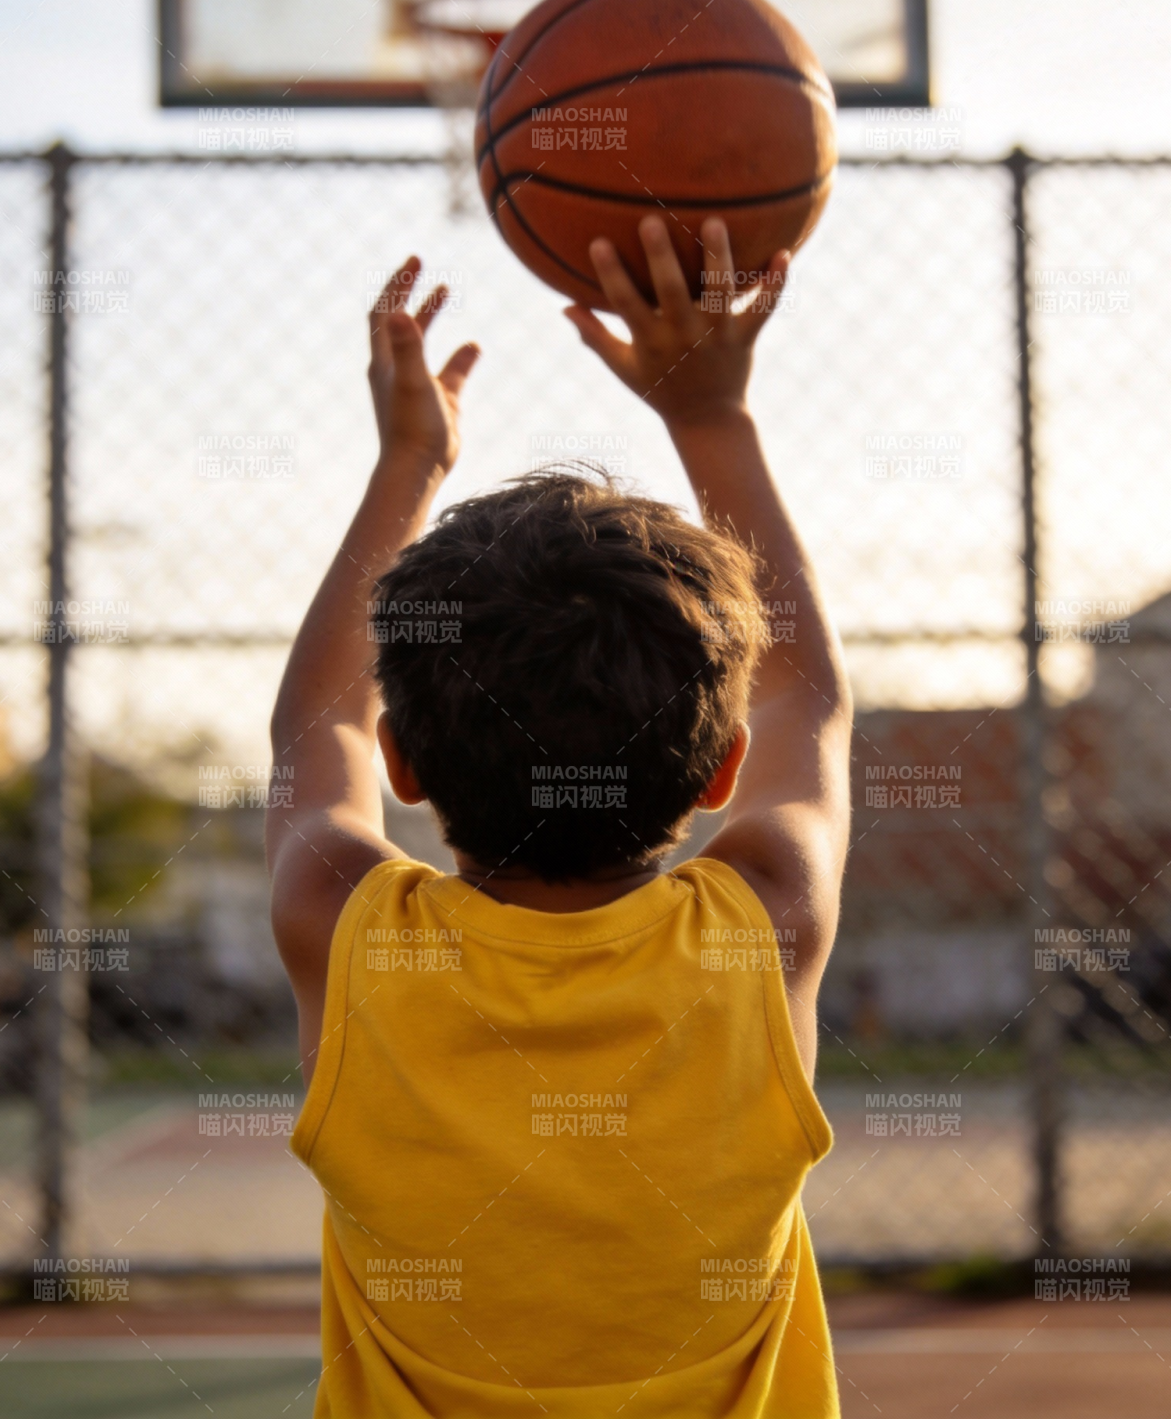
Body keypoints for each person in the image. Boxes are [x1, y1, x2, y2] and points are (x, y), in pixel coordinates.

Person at [268, 217, 852, 1417]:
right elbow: (813, 696)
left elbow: (311, 730)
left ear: (404, 764)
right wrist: (710, 416)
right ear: (718, 767)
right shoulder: (769, 921)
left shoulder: (343, 926)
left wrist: (407, 468)